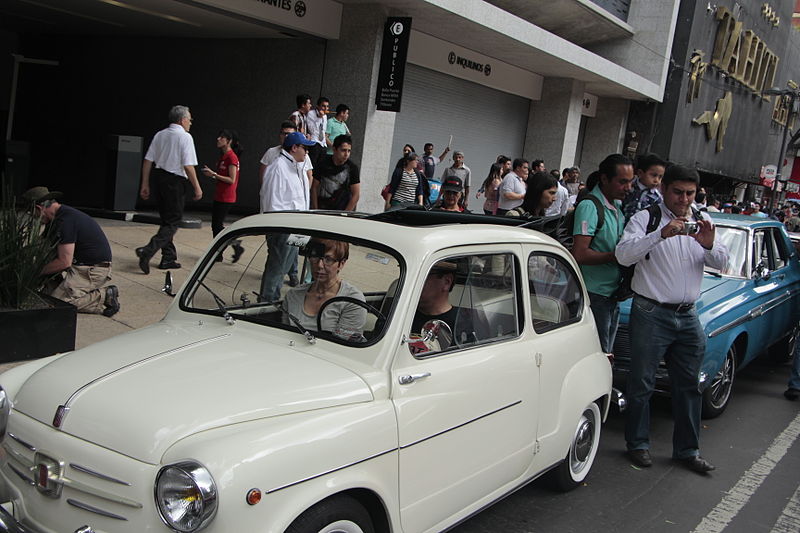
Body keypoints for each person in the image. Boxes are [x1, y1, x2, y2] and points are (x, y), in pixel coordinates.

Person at [616, 164, 727, 474]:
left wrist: (706, 242)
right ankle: (637, 444)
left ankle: (687, 451)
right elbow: (624, 255)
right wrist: (660, 235)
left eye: (690, 193)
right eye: (678, 192)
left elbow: (723, 260)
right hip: (651, 312)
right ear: (664, 188)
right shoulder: (646, 217)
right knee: (642, 383)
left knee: (690, 385)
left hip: (689, 314)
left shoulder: (703, 219)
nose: (683, 199)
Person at [571, 154, 633, 356]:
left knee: (606, 353)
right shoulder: (590, 206)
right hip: (594, 293)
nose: (628, 187)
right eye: (622, 182)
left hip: (611, 294)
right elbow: (580, 254)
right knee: (597, 355)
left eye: (630, 182)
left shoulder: (617, 207)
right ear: (604, 179)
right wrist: (615, 256)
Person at [23, 187, 120, 317]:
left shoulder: (65, 222)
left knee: (59, 303)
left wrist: (35, 271)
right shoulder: (57, 219)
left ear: (39, 208)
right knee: (47, 297)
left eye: (31, 213)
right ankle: (62, 289)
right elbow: (41, 247)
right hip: (79, 266)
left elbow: (64, 262)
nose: (33, 218)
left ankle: (104, 296)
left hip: (92, 270)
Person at [136, 105, 202, 275]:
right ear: (182, 120)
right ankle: (148, 250)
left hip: (159, 178)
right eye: (189, 119)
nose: (190, 123)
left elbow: (148, 160)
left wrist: (145, 183)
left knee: (166, 220)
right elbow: (188, 165)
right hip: (175, 181)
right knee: (173, 222)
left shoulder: (160, 134)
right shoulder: (185, 137)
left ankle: (168, 258)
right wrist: (197, 187)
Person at [259, 132, 316, 301]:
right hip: (283, 229)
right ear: (294, 148)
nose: (307, 152)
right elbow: (272, 202)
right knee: (277, 267)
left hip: (298, 227)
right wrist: (280, 228)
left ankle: (272, 300)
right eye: (304, 148)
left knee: (285, 266)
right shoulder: (278, 167)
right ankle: (266, 301)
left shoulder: (297, 167)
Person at [284, 238, 367, 340]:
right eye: (315, 257)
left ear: (342, 264)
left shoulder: (352, 301)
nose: (319, 265)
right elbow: (283, 335)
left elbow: (341, 346)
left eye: (328, 260)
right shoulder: (293, 294)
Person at [201, 129, 244, 263]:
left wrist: (213, 174)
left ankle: (232, 246)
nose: (218, 139)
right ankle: (221, 252)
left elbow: (231, 179)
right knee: (216, 225)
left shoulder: (232, 157)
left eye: (222, 137)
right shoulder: (223, 156)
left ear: (229, 141)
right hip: (219, 194)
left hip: (227, 196)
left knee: (218, 225)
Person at [411, 260, 475, 345]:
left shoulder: (463, 325)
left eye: (422, 276)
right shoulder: (401, 314)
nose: (413, 282)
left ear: (447, 282)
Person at [311, 134, 360, 211]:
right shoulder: (323, 163)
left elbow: (356, 194)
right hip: (322, 210)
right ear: (334, 149)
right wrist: (315, 209)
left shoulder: (352, 168)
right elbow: (314, 187)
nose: (346, 154)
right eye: (343, 150)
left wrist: (346, 214)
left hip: (341, 212)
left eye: (349, 151)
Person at [622, 153, 666, 223]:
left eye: (660, 177)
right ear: (640, 173)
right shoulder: (629, 187)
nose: (657, 180)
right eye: (653, 175)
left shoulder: (657, 197)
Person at [306, 97, 329, 165]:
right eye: (323, 106)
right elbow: (312, 130)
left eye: (327, 106)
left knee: (321, 166)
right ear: (318, 106)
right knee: (313, 164)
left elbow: (323, 130)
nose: (325, 108)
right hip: (314, 142)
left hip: (323, 143)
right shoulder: (311, 114)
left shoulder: (325, 116)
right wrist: (319, 118)